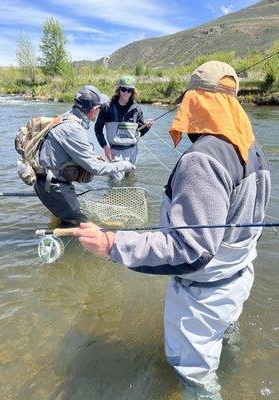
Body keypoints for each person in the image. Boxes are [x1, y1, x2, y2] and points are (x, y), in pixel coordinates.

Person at [73, 61, 271, 399]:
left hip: (202, 298)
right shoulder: (254, 148)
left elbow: (188, 249)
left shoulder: (202, 159)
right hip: (238, 280)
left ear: (196, 103)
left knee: (195, 380)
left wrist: (112, 243)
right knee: (224, 335)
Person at [34, 85, 135, 225]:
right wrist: (124, 165)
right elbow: (95, 168)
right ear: (94, 110)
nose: (100, 111)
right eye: (99, 108)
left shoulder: (67, 117)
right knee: (83, 225)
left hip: (45, 182)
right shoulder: (73, 129)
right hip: (53, 186)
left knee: (65, 220)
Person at [94, 75, 154, 180]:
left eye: (129, 90)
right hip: (114, 152)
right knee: (115, 181)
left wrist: (147, 127)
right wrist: (105, 148)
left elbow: (138, 132)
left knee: (129, 180)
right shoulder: (107, 107)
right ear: (118, 90)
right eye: (123, 89)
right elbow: (98, 129)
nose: (126, 93)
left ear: (133, 92)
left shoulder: (137, 109)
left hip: (132, 151)